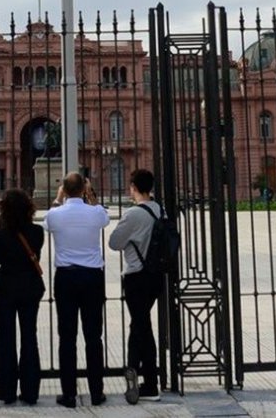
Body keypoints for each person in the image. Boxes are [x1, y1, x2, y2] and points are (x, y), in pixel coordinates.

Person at [43, 173, 110, 408]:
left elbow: (48, 220)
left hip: (66, 278)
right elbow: (104, 218)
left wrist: (58, 197)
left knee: (67, 337)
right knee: (94, 336)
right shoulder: (96, 212)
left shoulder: (55, 214)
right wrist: (90, 195)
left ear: (63, 189)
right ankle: (96, 392)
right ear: (84, 188)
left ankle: (69, 394)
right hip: (92, 277)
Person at [108, 169, 163, 404]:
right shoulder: (160, 210)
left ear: (133, 187)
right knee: (141, 324)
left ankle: (142, 376)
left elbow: (114, 243)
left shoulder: (132, 214)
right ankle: (141, 376)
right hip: (156, 276)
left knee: (140, 326)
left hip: (136, 276)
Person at [0, 189, 45, 405]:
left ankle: (7, 391)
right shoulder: (37, 232)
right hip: (30, 287)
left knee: (6, 339)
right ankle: (30, 391)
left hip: (6, 289)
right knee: (29, 337)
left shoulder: (2, 233)